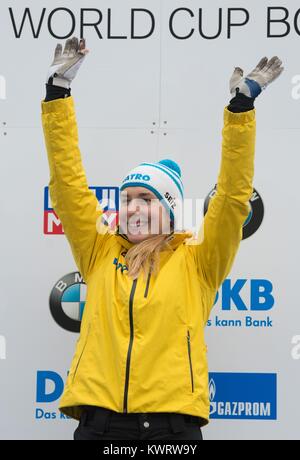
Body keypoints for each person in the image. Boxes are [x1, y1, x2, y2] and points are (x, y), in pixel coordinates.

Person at [41, 36, 284, 440]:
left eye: (146, 199)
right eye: (127, 199)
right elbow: (67, 184)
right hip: (99, 424)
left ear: (168, 210)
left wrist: (240, 111)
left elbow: (232, 198)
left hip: (172, 428)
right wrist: (57, 93)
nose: (134, 208)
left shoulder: (199, 262)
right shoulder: (98, 250)